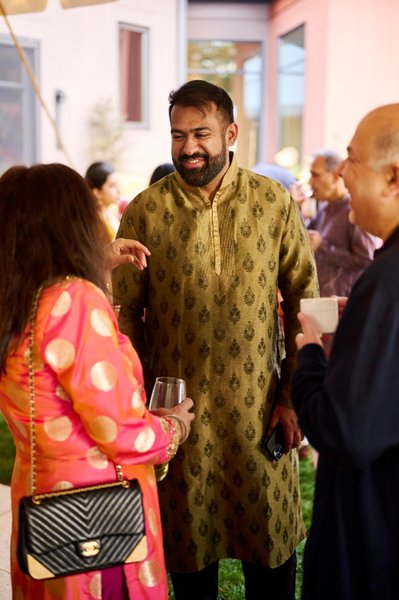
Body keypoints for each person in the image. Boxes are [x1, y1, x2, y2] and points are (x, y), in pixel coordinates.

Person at [112, 79, 319, 600]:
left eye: (200, 134)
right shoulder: (145, 210)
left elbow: (303, 301)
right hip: (181, 423)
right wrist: (142, 406)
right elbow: (126, 318)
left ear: (229, 134)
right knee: (189, 565)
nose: (188, 147)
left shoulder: (273, 202)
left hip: (260, 412)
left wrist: (292, 397)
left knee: (271, 565)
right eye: (178, 135)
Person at [0, 163, 194, 600]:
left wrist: (95, 268)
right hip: (97, 520)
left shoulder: (16, 297)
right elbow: (121, 433)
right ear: (69, 223)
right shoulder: (74, 301)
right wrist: (173, 426)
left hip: (42, 504)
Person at [292, 104, 399, 600]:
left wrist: (309, 352)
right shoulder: (379, 287)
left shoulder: (388, 282)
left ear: (392, 178)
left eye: (351, 161)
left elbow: (344, 431)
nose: (340, 173)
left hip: (371, 539)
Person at [305, 149, 377, 297]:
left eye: (316, 175)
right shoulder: (325, 208)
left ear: (336, 175)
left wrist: (323, 247)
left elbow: (367, 260)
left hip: (344, 305)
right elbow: (301, 237)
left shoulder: (354, 210)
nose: (310, 182)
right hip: (322, 301)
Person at [85, 161, 121, 241]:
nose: (119, 190)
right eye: (112, 186)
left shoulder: (110, 212)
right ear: (97, 192)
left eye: (117, 184)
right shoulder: (94, 223)